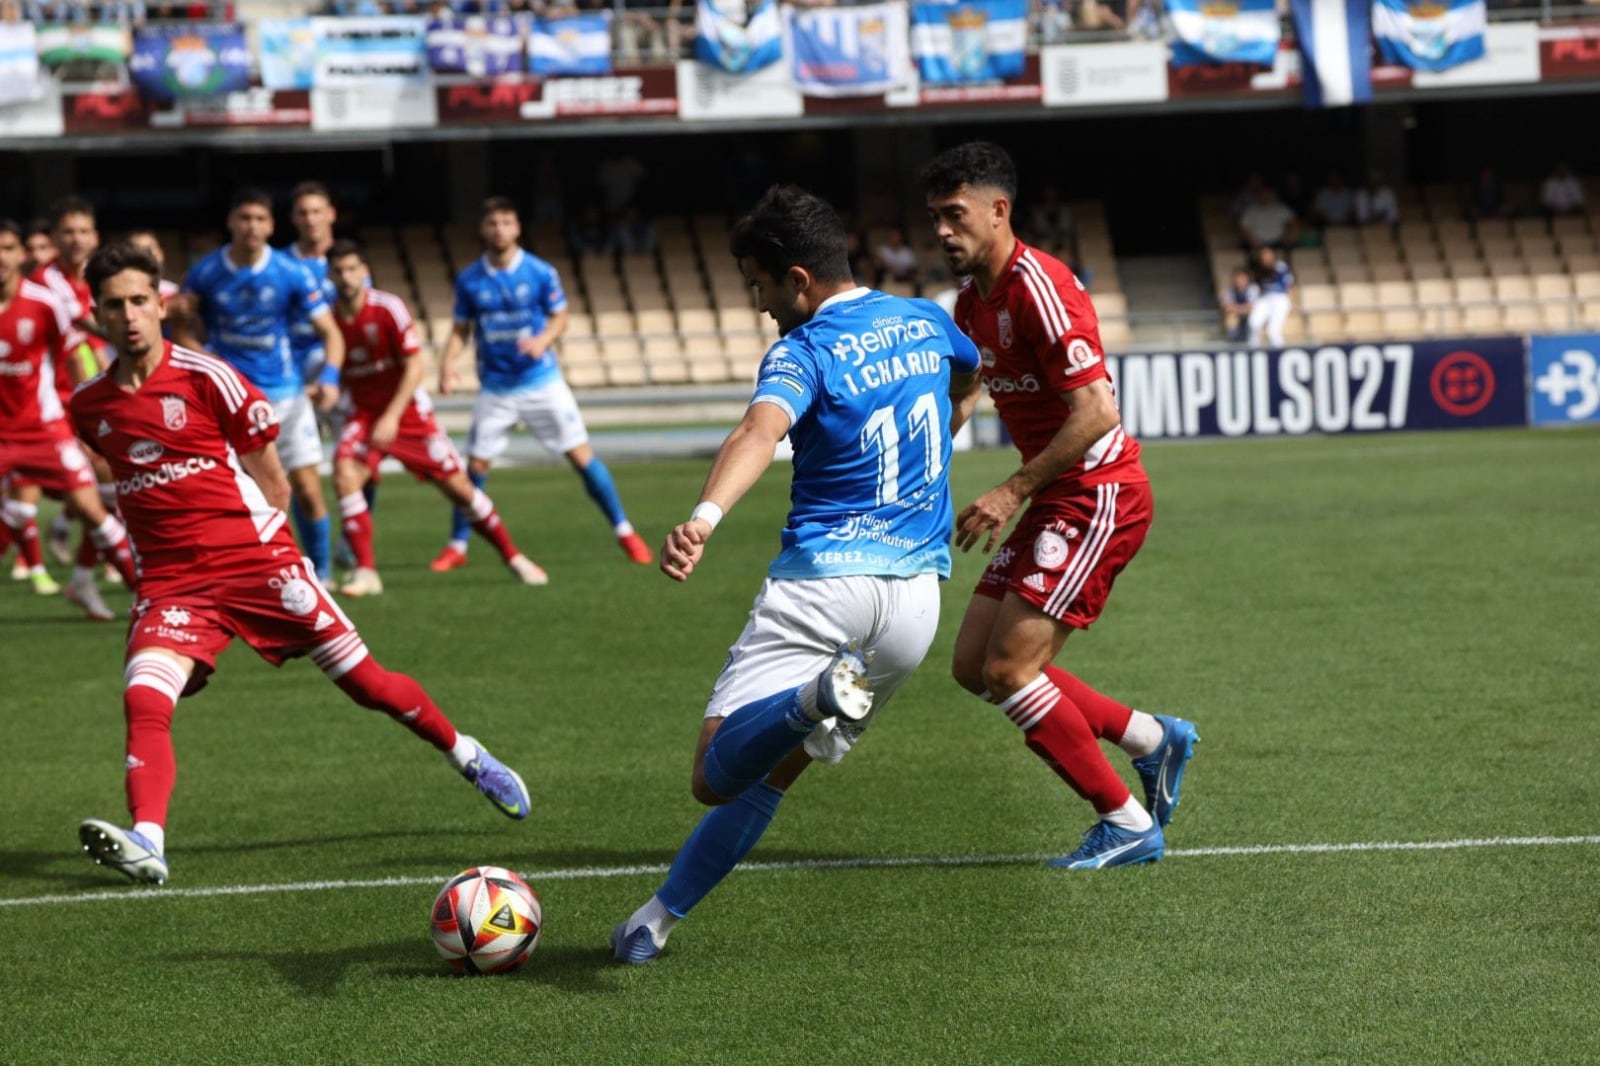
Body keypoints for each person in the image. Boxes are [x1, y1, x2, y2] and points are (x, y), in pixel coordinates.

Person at [69, 242, 532, 887]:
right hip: (174, 585)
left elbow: (275, 483)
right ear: (98, 313)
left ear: (161, 303)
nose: (130, 315)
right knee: (144, 697)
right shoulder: (88, 406)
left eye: (140, 300)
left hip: (259, 563)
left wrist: (281, 558)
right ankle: (149, 840)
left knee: (368, 685)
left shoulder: (208, 377)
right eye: (115, 305)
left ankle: (468, 754)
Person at [610, 184, 981, 964]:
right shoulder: (925, 320)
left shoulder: (805, 348)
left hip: (825, 587)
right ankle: (656, 919)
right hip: (914, 605)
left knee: (715, 771)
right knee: (772, 776)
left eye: (760, 284)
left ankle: (808, 697)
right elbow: (968, 375)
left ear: (798, 279)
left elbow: (758, 429)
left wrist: (704, 518)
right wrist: (946, 438)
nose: (761, 305)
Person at [920, 141, 1198, 871]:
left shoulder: (1038, 287)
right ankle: (1148, 738)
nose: (943, 232)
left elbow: (1097, 411)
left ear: (997, 210)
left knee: (1012, 672)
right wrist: (940, 436)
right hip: (1056, 494)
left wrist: (1011, 489)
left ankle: (1127, 821)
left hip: (1098, 494)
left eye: (955, 215)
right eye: (935, 219)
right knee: (975, 666)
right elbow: (973, 380)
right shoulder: (973, 302)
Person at [435, 196, 652, 572]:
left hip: (541, 383)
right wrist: (447, 364)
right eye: (492, 223)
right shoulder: (470, 279)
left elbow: (560, 316)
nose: (499, 229)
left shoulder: (539, 272)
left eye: (506, 221)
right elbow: (459, 329)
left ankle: (625, 531)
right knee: (475, 467)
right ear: (483, 229)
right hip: (496, 387)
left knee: (580, 456)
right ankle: (458, 545)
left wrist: (543, 340)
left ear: (516, 227)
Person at [325, 239, 547, 595]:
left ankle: (513, 557)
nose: (346, 277)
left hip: (408, 414)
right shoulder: (329, 318)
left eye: (352, 269)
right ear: (330, 275)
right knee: (344, 474)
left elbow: (415, 366)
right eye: (338, 271)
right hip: (364, 415)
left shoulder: (388, 308)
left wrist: (393, 416)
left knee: (460, 490)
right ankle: (367, 572)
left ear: (365, 271)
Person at [174, 187, 344, 581]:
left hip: (286, 396)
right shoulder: (205, 273)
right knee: (243, 497)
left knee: (306, 488)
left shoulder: (290, 272)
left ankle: (321, 576)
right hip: (231, 404)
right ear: (231, 222)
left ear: (271, 226)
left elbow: (331, 332)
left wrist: (330, 378)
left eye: (260, 219)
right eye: (244, 218)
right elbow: (181, 330)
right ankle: (252, 573)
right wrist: (209, 360)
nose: (251, 227)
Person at [0, 219, 138, 608]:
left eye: (8, 248)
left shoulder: (45, 304)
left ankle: (142, 596)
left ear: (21, 254)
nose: (1, 258)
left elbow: (78, 358)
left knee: (93, 510)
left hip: (43, 431)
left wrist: (92, 421)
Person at [1247, 244, 1294, 348]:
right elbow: (1255, 287)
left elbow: (1289, 285)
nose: (1265, 258)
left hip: (1280, 298)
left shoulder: (1281, 266)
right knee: (1254, 323)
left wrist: (1291, 302)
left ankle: (1278, 353)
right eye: (1263, 255)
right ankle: (1253, 349)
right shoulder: (1257, 268)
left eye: (1267, 254)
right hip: (1265, 298)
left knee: (1273, 331)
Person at [1220, 266, 1256, 343]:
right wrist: (1243, 308)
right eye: (1238, 278)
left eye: (1242, 279)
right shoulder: (1229, 290)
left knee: (1254, 321)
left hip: (1250, 317)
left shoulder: (1253, 289)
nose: (1240, 281)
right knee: (1230, 319)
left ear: (1247, 279)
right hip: (1236, 317)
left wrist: (1235, 308)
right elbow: (1227, 308)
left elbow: (1252, 308)